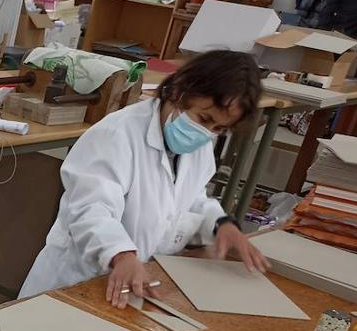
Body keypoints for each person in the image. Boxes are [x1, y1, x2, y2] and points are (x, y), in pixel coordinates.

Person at [20, 50, 270, 307]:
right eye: (204, 119)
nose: (207, 133)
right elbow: (91, 209)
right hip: (74, 280)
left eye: (218, 128)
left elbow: (191, 199)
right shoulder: (117, 134)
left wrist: (222, 225)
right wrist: (122, 255)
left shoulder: (200, 145)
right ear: (177, 92)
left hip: (133, 283)